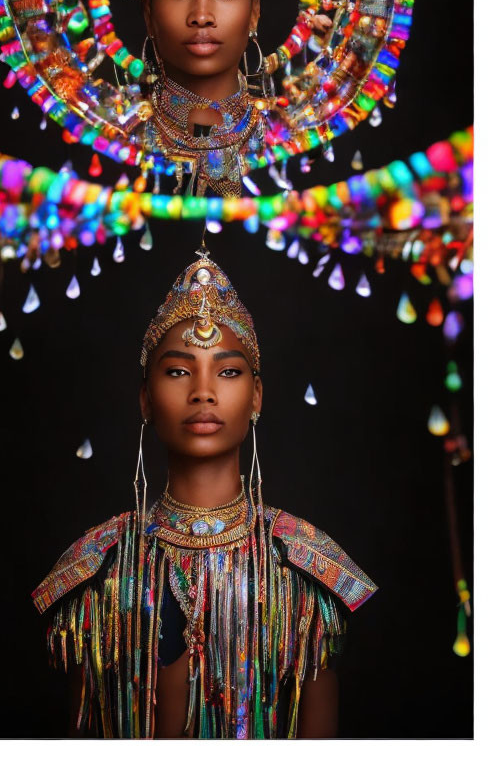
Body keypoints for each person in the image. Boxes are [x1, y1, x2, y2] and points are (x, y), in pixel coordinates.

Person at [32, 247, 376, 739]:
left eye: (228, 371)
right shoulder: (97, 573)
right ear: (145, 398)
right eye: (177, 371)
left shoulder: (305, 574)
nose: (204, 391)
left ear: (256, 395)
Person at [109, 0, 333, 197]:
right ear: (149, 12)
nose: (202, 15)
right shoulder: (113, 135)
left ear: (254, 11)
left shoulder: (297, 140)